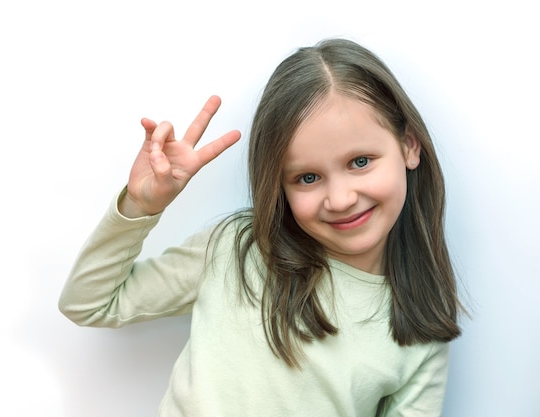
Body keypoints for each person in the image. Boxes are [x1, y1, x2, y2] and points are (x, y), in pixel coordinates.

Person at [59, 38, 464, 416]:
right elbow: (89, 303)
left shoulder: (420, 331)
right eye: (307, 178)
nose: (339, 199)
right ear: (278, 184)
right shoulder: (237, 248)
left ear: (409, 146)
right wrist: (140, 206)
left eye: (360, 162)